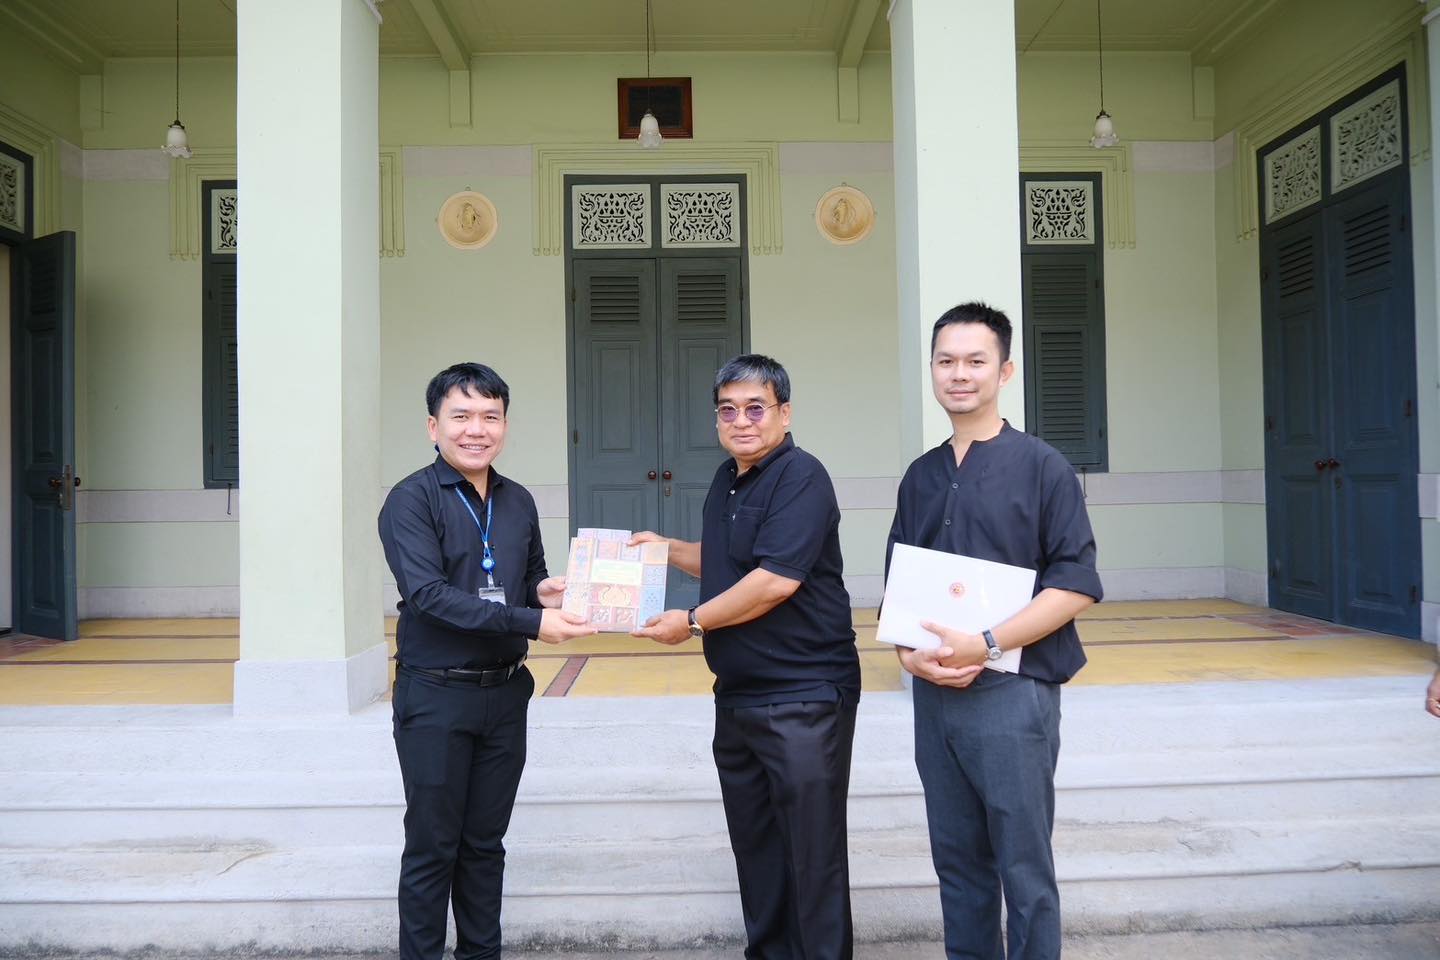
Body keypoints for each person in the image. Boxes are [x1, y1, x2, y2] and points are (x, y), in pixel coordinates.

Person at [886, 303, 1103, 960]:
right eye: (946, 361)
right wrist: (909, 656)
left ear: (1004, 371)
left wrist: (986, 643)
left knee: (1023, 867)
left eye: (975, 361)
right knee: (957, 863)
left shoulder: (1043, 467)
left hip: (1014, 693)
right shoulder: (921, 476)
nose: (959, 374)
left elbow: (1075, 584)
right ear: (932, 369)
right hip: (936, 696)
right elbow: (901, 585)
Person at [630, 354, 860, 960]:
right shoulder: (727, 479)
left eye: (756, 408)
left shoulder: (802, 477)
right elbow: (729, 558)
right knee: (757, 849)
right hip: (737, 696)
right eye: (728, 410)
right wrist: (665, 549)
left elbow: (774, 580)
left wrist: (692, 621)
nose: (741, 421)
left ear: (785, 413)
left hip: (803, 696)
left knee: (811, 854)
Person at [378, 362, 595, 960]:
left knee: (484, 845)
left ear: (504, 425)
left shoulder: (518, 499)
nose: (476, 430)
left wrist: (546, 594)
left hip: (505, 694)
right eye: (461, 416)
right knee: (432, 848)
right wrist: (532, 621)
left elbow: (527, 582)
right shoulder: (410, 500)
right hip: (436, 696)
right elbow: (429, 597)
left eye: (490, 417)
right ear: (433, 427)